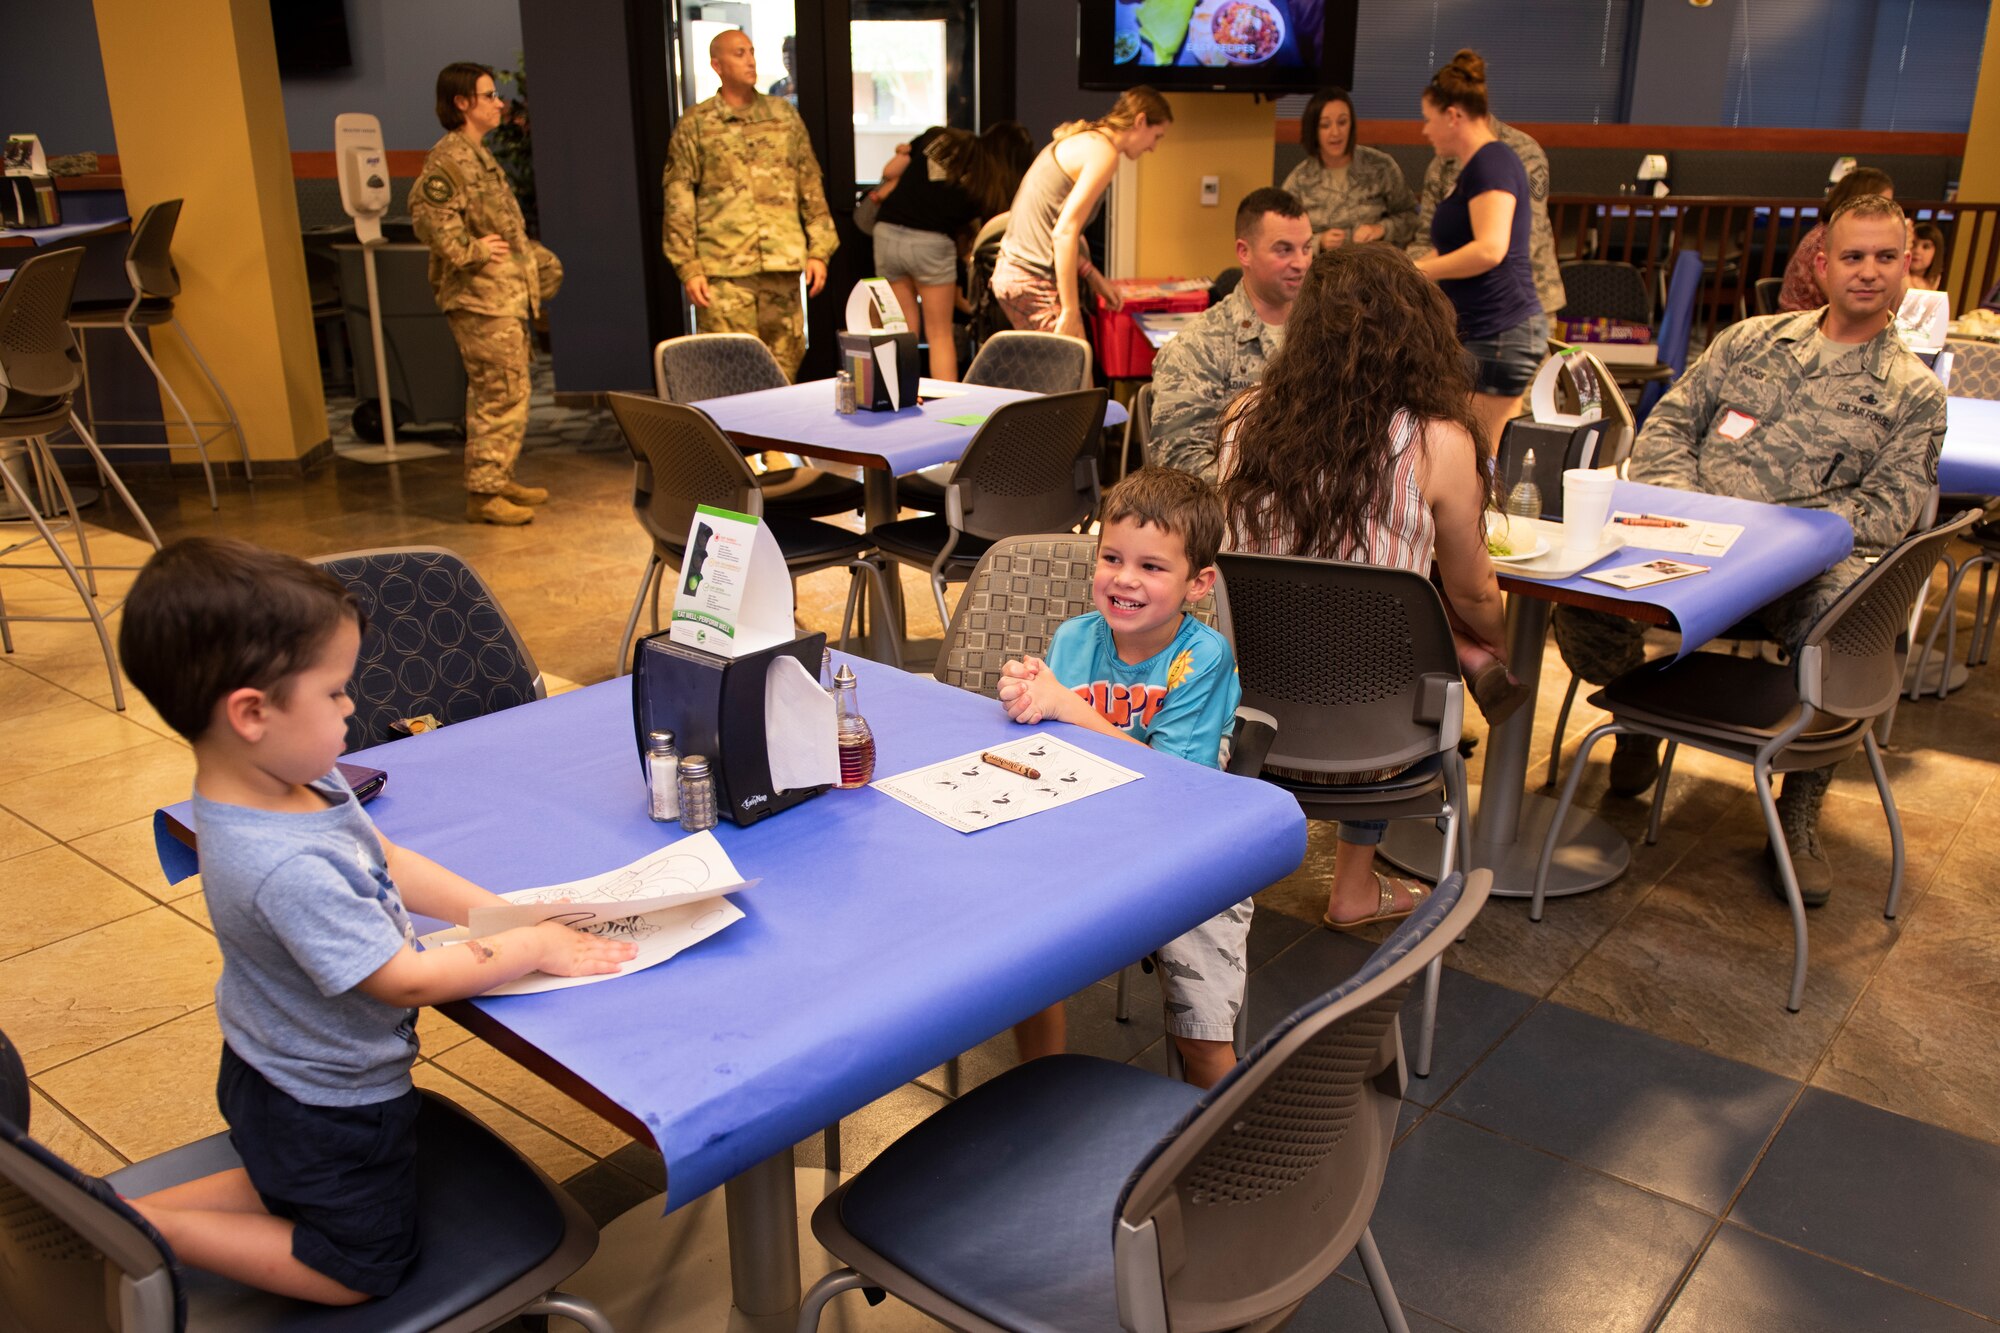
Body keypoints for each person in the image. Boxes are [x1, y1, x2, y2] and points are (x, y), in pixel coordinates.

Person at [113, 537, 635, 1304]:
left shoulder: (291, 776)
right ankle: (148, 1238)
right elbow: (404, 978)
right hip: (325, 1102)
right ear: (252, 712)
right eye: (334, 694)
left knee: (288, 1181)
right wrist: (526, 944)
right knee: (359, 1265)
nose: (353, 707)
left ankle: (122, 1213)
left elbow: (385, 854)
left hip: (277, 1071)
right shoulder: (283, 864)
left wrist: (498, 909)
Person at [1554, 194, 1945, 907]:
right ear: (1823, 265)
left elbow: (1887, 511)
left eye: (1885, 258)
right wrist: (1688, 508)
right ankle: (1639, 720)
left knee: (1851, 622)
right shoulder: (1751, 340)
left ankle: (1798, 810)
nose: (1868, 273)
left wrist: (1779, 539)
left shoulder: (1914, 393)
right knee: (1580, 595)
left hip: (1804, 572)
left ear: (1907, 267)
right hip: (1694, 546)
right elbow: (1668, 425)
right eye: (1853, 257)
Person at [1216, 243, 1518, 931]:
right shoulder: (1438, 441)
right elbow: (1473, 590)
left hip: (1251, 716)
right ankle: (1354, 883)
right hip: (1375, 736)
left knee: (1350, 616)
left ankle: (1234, 878)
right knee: (1403, 633)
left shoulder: (1244, 419)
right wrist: (1491, 640)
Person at [994, 468, 1246, 1088]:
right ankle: (1041, 1093)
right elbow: (1050, 740)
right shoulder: (1074, 638)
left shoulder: (1202, 657)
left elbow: (1171, 783)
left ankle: (1229, 1146)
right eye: (1112, 557)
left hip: (1190, 854)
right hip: (1086, 835)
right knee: (1029, 950)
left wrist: (1066, 706)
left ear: (1198, 583)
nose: (1125, 579)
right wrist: (1025, 695)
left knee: (1202, 1037)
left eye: (1153, 567)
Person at [411, 62, 564, 528]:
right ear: (462, 103)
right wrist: (474, 251)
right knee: (498, 392)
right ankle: (484, 493)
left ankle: (498, 478)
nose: (499, 103)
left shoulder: (478, 156)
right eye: (489, 95)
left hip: (501, 298)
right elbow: (429, 218)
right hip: (480, 300)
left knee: (509, 388)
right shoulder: (449, 160)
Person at [662, 28, 837, 380]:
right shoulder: (696, 124)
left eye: (752, 51)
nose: (750, 60)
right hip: (725, 275)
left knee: (783, 370)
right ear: (717, 65)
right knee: (728, 372)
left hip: (782, 269)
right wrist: (689, 267)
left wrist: (820, 250)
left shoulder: (783, 117)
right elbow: (678, 198)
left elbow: (810, 185)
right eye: (739, 53)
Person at [1411, 50, 1547, 456]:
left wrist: (1420, 270)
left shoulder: (1493, 161)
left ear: (1453, 115)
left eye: (1428, 118)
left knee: (1477, 461)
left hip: (1499, 331)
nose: (1424, 130)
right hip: (1482, 330)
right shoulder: (1473, 167)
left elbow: (1490, 248)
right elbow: (1455, 243)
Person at [1148, 188, 1311, 481]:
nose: (1301, 263)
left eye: (1307, 248)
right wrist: (1273, 492)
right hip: (1237, 514)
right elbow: (1179, 464)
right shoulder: (1197, 347)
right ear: (1244, 252)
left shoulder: (1326, 333)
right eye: (1283, 250)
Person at [991, 87, 1173, 340]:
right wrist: (1070, 310)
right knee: (1074, 370)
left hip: (1015, 273)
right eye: (1156, 136)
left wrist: (1093, 277)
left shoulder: (1086, 140)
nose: (1153, 147)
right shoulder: (1103, 153)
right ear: (1140, 121)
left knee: (1060, 371)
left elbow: (1050, 225)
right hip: (1032, 277)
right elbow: (1064, 232)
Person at [864, 122, 1033, 380]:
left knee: (903, 333)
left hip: (887, 233)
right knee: (940, 335)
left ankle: (900, 401)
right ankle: (949, 412)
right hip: (930, 244)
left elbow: (894, 170)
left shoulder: (941, 137)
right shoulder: (989, 186)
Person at [1409, 117, 1565, 323]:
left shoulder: (1519, 150)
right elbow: (1427, 237)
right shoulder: (1442, 162)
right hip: (1458, 306)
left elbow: (1520, 240)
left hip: (1519, 309)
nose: (1426, 129)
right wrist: (1408, 273)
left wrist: (1423, 269)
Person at [1281, 87, 1418, 251]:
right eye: (1325, 125)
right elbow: (1283, 237)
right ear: (1314, 131)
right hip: (1323, 271)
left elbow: (1413, 217)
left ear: (1351, 125)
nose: (1335, 132)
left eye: (1342, 122)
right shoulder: (1299, 180)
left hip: (1377, 267)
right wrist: (1319, 242)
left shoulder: (1381, 167)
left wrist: (1381, 229)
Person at [1779, 167, 1894, 313]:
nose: (1888, 215)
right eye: (1881, 207)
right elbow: (1849, 307)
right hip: (1804, 327)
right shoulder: (1826, 239)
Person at [1908, 221, 1945, 291]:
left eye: (1926, 247)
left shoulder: (1935, 281)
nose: (1917, 251)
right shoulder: (1898, 279)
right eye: (1913, 244)